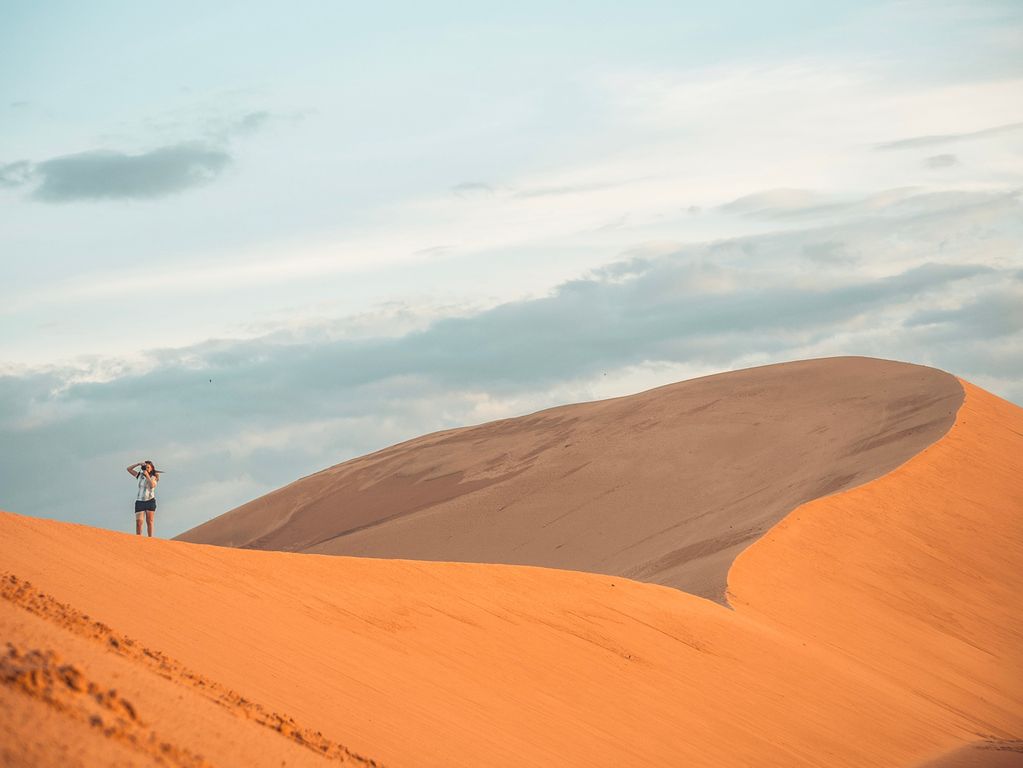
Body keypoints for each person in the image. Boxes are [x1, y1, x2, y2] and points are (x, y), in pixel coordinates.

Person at [127, 460, 161, 536]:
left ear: (152, 468)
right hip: (140, 501)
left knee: (149, 521)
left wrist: (147, 476)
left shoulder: (154, 477)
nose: (147, 468)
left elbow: (152, 485)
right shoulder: (140, 475)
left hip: (150, 501)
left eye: (148, 467)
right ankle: (139, 539)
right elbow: (128, 469)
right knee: (139, 523)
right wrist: (138, 464)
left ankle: (150, 539)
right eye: (145, 467)